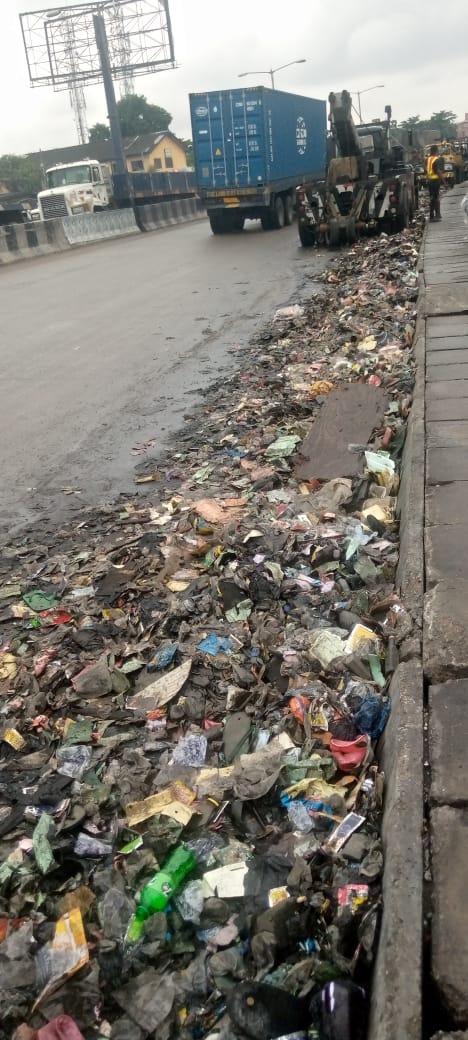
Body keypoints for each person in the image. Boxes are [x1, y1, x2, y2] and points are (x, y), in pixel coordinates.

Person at [426, 144, 445, 221]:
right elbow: (438, 171)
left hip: (430, 181)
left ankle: (432, 215)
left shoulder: (428, 159)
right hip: (435, 181)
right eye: (438, 151)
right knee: (436, 197)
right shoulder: (437, 159)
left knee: (432, 197)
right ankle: (437, 215)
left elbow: (426, 169)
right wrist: (444, 181)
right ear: (436, 151)